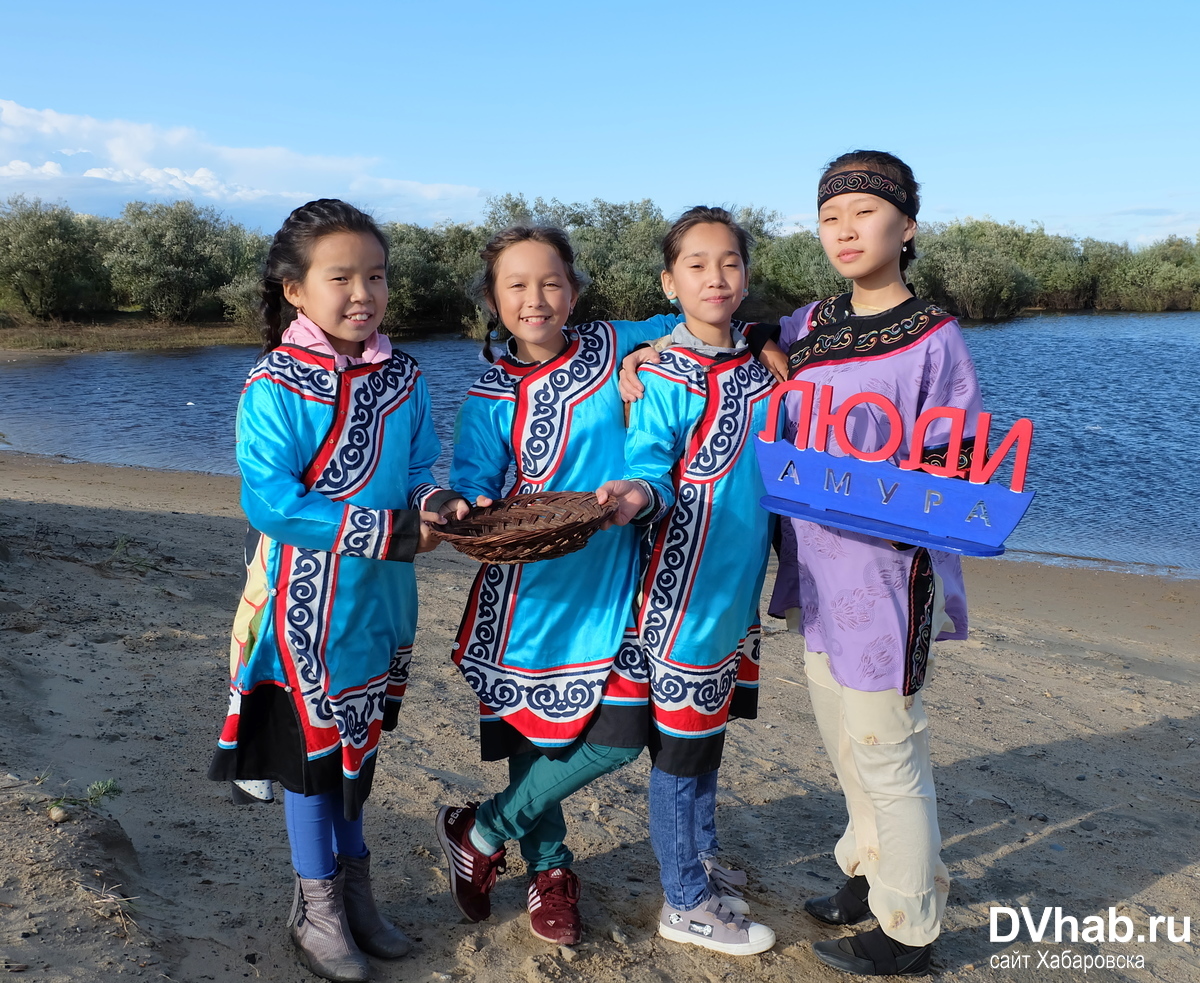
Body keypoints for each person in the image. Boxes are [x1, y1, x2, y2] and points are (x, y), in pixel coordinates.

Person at [207, 199, 467, 983]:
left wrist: (438, 505)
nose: (364, 292)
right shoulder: (275, 383)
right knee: (314, 757)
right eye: (341, 276)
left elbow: (420, 469)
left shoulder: (406, 376)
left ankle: (355, 893)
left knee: (361, 747)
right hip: (305, 606)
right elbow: (272, 502)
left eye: (376, 276)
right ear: (295, 290)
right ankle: (316, 907)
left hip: (384, 602)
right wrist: (386, 531)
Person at [755, 151, 984, 976]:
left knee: (889, 747)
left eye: (864, 212)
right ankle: (868, 871)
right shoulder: (806, 326)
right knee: (845, 743)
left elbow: (955, 464)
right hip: (814, 573)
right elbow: (729, 330)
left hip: (888, 576)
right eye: (830, 216)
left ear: (907, 226)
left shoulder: (933, 338)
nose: (845, 230)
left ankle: (910, 928)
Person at [435, 226, 687, 946]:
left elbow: (698, 318)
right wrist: (464, 503)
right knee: (533, 740)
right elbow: (479, 482)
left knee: (619, 737)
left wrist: (654, 351)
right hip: (527, 598)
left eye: (551, 283)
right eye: (516, 285)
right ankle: (549, 871)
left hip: (616, 583)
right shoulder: (486, 394)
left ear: (573, 292)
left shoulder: (611, 344)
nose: (535, 298)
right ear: (493, 299)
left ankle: (479, 830)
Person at [598, 206, 777, 956]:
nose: (715, 277)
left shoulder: (760, 364)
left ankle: (700, 857)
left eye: (728, 262)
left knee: (708, 736)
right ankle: (684, 898)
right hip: (680, 588)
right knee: (679, 750)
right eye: (696, 265)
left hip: (735, 588)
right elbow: (649, 462)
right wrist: (637, 495)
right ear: (670, 281)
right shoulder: (663, 372)